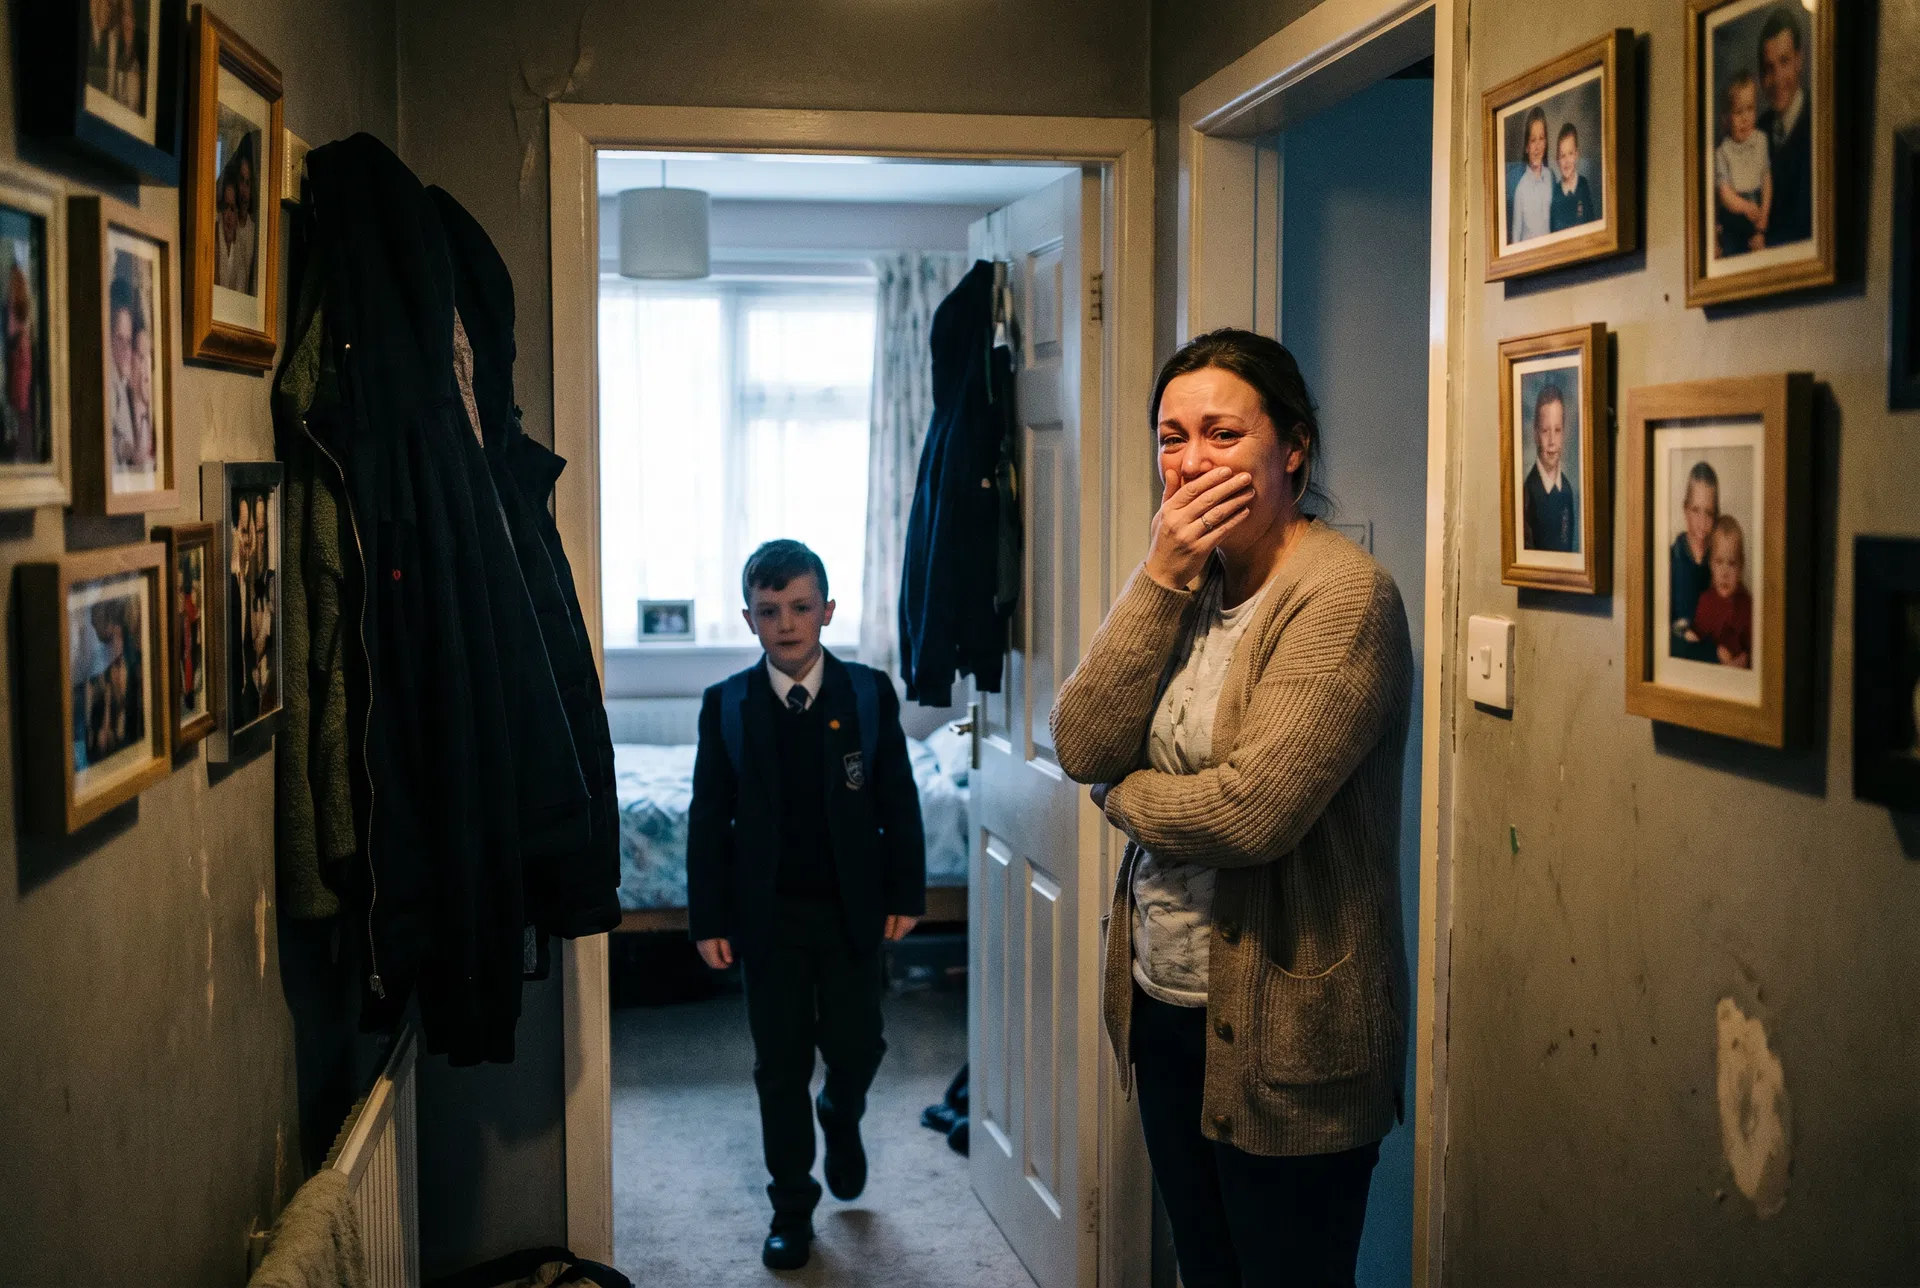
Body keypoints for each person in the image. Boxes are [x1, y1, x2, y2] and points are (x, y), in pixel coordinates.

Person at [1051, 329, 1413, 1288]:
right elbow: (1082, 740)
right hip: (1166, 1007)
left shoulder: (1344, 598)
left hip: (1293, 1031)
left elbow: (1253, 815)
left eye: (1221, 432)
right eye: (1172, 437)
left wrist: (1121, 796)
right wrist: (1161, 573)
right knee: (1206, 1269)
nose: (1191, 461)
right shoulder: (1187, 582)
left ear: (1292, 446)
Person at [686, 539, 927, 1271]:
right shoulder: (726, 704)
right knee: (779, 1065)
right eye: (768, 611)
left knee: (858, 1044)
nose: (786, 624)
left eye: (799, 608)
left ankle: (842, 1114)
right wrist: (709, 918)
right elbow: (707, 817)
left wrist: (906, 892)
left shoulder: (866, 693)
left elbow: (897, 798)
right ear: (749, 618)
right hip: (767, 919)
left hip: (851, 911)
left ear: (826, 611)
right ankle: (792, 1205)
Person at [1757, 5, 1811, 247]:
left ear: (1799, 61)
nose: (1777, 78)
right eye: (1769, 68)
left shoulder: (1818, 125)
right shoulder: (1756, 132)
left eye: (1784, 62)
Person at [1715, 71, 1772, 257]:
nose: (1745, 118)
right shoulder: (1723, 152)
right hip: (1735, 210)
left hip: (1758, 206)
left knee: (1762, 249)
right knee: (1732, 250)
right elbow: (1725, 194)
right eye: (1738, 112)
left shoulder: (1761, 140)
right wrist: (1745, 207)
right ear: (1725, 118)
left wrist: (1763, 217)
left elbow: (1766, 180)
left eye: (1750, 109)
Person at [1670, 461, 1721, 663]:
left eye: (1708, 512)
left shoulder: (1720, 563)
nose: (1702, 522)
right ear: (1685, 509)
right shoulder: (1671, 561)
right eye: (1695, 510)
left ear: (1716, 514)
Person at [1521, 381, 1578, 552]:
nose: (1552, 441)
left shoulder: (1567, 490)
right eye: (1545, 431)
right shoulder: (1528, 493)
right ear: (1536, 434)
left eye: (1558, 430)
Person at [1693, 514, 1752, 669]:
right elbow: (1695, 642)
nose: (1725, 573)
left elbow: (1755, 649)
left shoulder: (1747, 604)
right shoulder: (1705, 602)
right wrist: (1715, 652)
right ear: (1711, 564)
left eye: (1731, 564)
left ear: (1741, 567)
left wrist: (1745, 658)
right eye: (1719, 562)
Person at [106, 278, 140, 471]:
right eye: (120, 339)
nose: (126, 349)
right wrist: (127, 449)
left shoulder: (123, 379)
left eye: (129, 341)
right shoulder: (109, 381)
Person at [1509, 106, 1554, 244]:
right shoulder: (1521, 189)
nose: (1537, 146)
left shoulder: (1551, 178)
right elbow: (1516, 236)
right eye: (1533, 140)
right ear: (1526, 147)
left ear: (1546, 143)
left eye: (1541, 138)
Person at [1548, 122, 1598, 232]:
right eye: (1562, 156)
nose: (1566, 161)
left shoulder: (1583, 185)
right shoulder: (1555, 192)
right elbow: (1552, 232)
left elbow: (1592, 223)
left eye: (1570, 154)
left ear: (1576, 154)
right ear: (1557, 159)